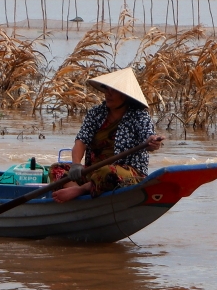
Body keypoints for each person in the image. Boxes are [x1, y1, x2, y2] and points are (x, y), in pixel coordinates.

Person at [51, 68, 165, 203]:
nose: (107, 94)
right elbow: (82, 140)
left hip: (124, 173)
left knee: (106, 172)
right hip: (94, 171)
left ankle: (79, 191)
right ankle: (79, 196)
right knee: (56, 168)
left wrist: (153, 142)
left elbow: (149, 139)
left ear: (125, 95)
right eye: (106, 90)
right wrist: (76, 165)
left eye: (113, 91)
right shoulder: (96, 113)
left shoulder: (140, 116)